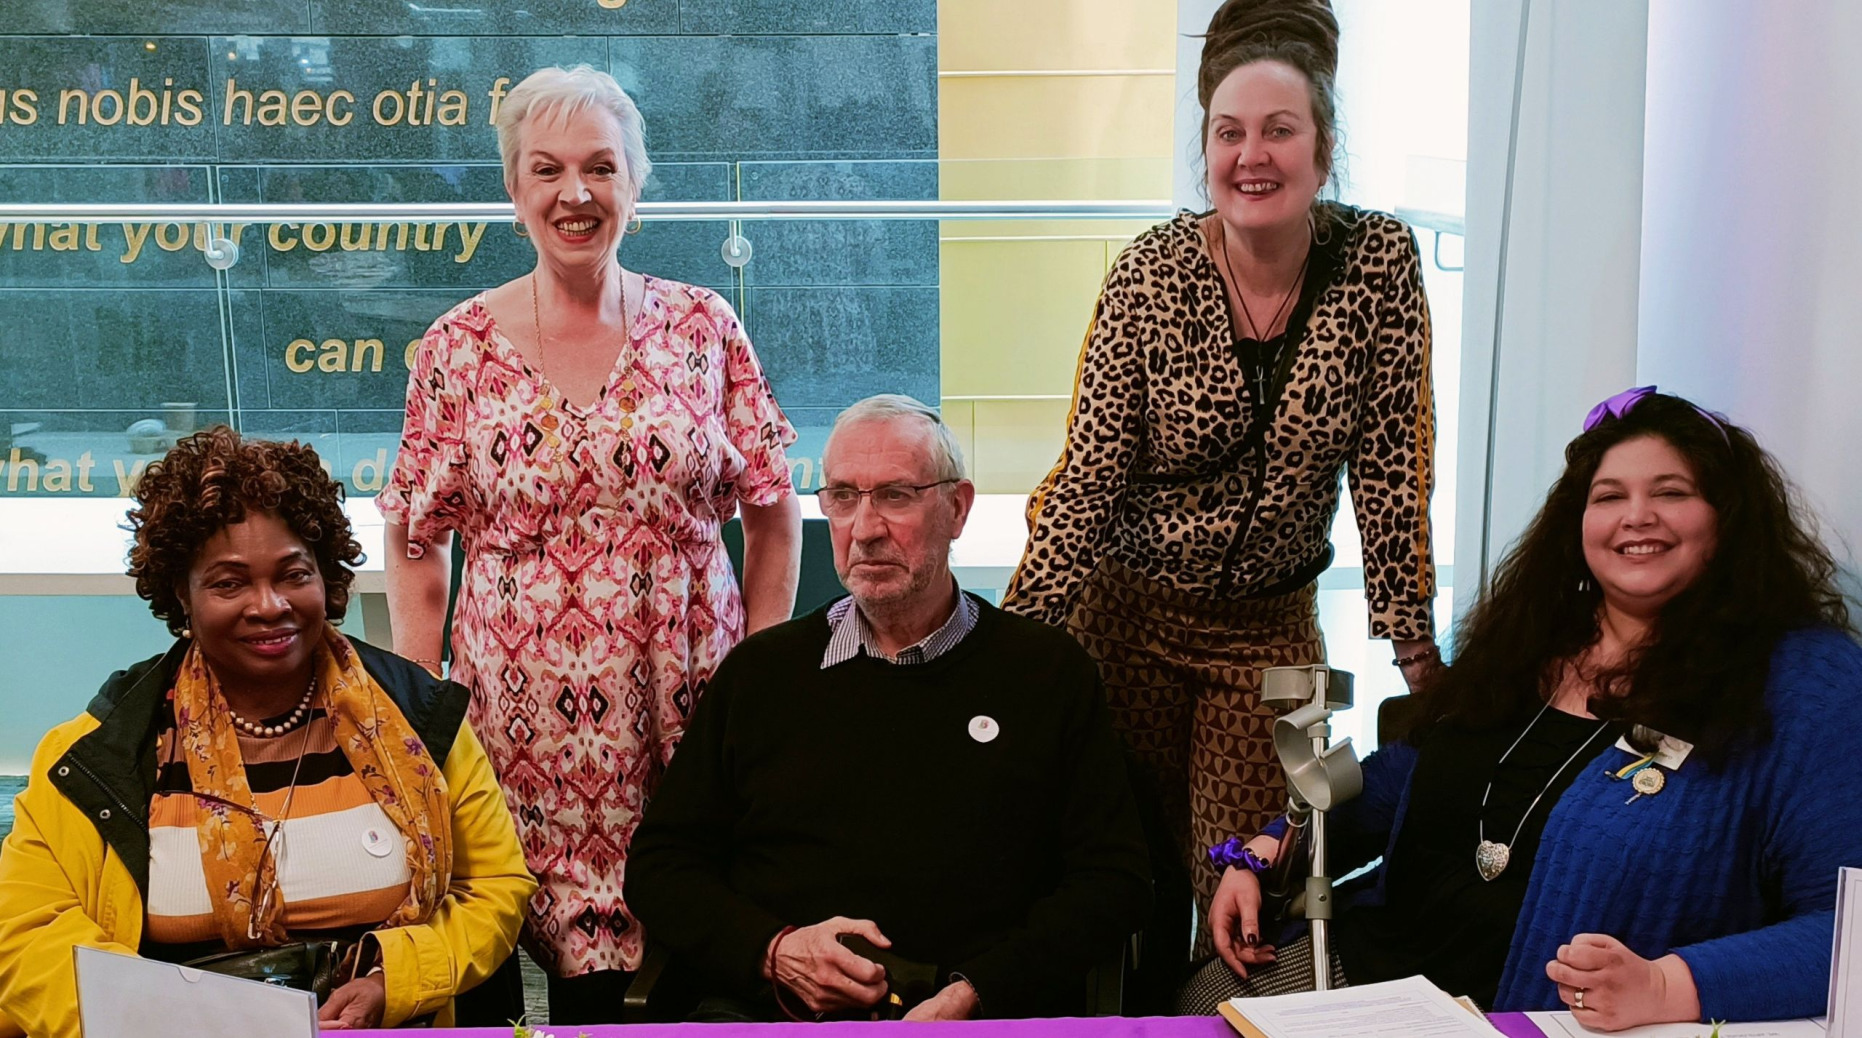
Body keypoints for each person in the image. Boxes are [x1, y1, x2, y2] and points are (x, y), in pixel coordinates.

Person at [1000, 0, 1439, 991]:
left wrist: (1416, 651)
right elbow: (1089, 476)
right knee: (1123, 868)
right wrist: (1019, 640)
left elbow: (1388, 463)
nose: (1251, 155)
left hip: (1267, 626)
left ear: (1321, 152)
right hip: (1127, 612)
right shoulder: (1148, 274)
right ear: (1203, 151)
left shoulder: (1377, 261)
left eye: (1278, 131)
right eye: (1227, 132)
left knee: (1252, 863)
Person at [1183, 389, 1862, 1029]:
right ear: (1578, 524)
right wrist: (1269, 846)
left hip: (1540, 1019)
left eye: (1672, 493)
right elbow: (1397, 783)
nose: (1636, 517)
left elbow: (1843, 934)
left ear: (1729, 519)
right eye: (1609, 496)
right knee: (1198, 1004)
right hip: (1370, 978)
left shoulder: (1803, 682)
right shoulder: (1529, 639)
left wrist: (1665, 985)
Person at [379, 65, 803, 1022]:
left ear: (635, 184)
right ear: (514, 190)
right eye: (548, 170)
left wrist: (766, 662)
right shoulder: (454, 347)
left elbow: (776, 505)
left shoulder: (704, 325)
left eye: (601, 168)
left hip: (685, 703)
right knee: (514, 947)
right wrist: (420, 692)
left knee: (693, 949)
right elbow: (414, 533)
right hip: (520, 722)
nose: (576, 193)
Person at [627, 395, 1151, 1021]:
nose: (865, 528)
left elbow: (1113, 881)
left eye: (896, 495)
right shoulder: (761, 674)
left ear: (957, 509)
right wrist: (776, 951)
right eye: (843, 497)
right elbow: (661, 868)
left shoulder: (1044, 673)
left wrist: (976, 992)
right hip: (782, 1016)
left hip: (980, 1021)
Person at [0, 428, 534, 1038]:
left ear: (325, 576)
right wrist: (186, 1022)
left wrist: (399, 983)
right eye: (229, 583)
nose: (269, 605)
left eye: (292, 574)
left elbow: (493, 888)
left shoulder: (421, 721)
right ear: (183, 592)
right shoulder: (100, 752)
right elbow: (24, 932)